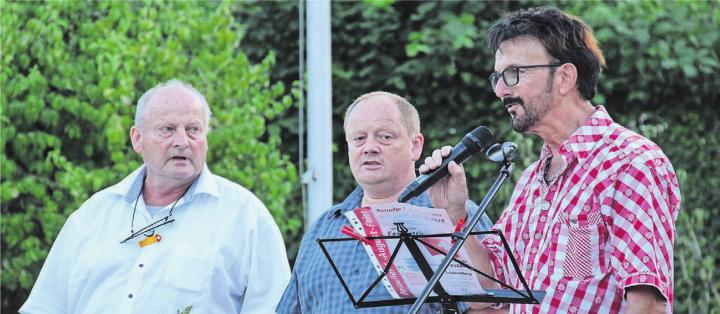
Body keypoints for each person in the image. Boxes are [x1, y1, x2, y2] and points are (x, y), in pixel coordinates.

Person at [421, 7, 681, 313]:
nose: (501, 90)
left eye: (513, 73)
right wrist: (454, 213)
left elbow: (647, 305)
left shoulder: (631, 163)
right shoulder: (531, 180)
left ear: (564, 77)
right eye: (498, 77)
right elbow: (490, 294)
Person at [20, 80, 290, 313]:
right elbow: (45, 308)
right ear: (137, 139)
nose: (182, 141)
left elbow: (276, 309)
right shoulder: (92, 216)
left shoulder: (246, 216)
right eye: (168, 129)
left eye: (194, 129)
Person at [276, 91, 493, 313]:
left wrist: (456, 219)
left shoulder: (455, 215)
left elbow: (494, 307)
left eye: (385, 137)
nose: (369, 147)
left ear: (415, 146)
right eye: (359, 138)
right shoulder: (322, 228)